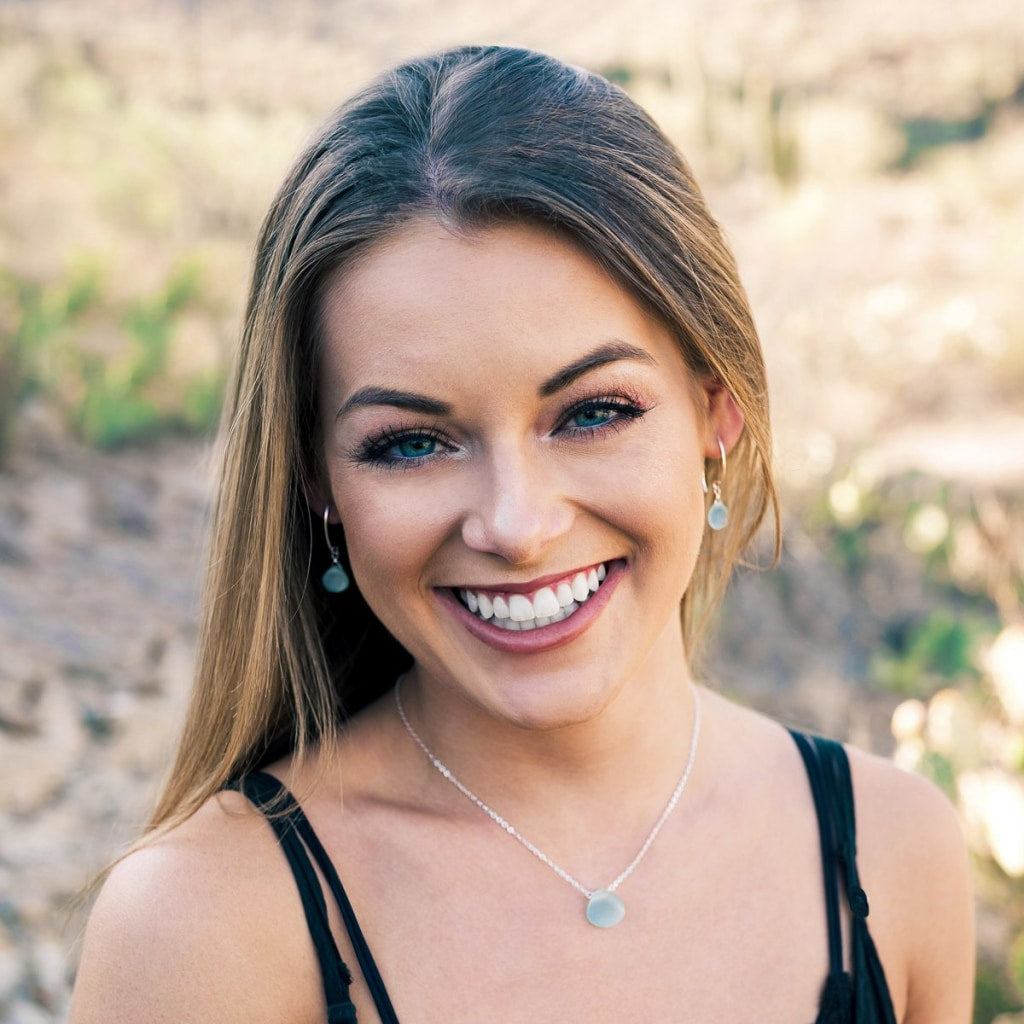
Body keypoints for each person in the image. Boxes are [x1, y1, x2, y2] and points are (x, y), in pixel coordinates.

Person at [69, 46, 974, 1023]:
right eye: (410, 441)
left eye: (592, 412)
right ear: (316, 482)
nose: (516, 524)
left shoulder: (892, 854)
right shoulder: (204, 926)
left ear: (718, 408)